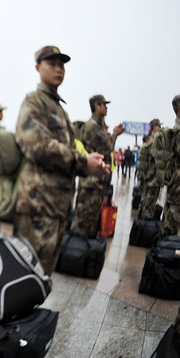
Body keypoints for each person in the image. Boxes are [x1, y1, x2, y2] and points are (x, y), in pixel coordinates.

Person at [14, 45, 109, 274]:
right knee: (27, 275)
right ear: (38, 68)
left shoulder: (59, 109)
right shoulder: (34, 102)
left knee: (42, 276)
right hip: (38, 207)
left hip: (56, 208)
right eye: (52, 64)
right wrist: (84, 163)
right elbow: (40, 146)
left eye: (62, 65)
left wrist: (88, 161)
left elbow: (67, 149)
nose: (59, 69)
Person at [70, 95, 124, 237]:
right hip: (91, 184)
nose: (106, 108)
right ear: (96, 106)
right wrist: (115, 134)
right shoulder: (93, 127)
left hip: (96, 184)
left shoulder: (98, 126)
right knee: (83, 224)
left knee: (90, 223)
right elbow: (107, 147)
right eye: (104, 105)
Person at [158, 95, 180, 240]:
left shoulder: (175, 129)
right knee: (172, 225)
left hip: (174, 184)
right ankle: (165, 254)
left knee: (167, 220)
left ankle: (161, 251)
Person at [139, 119, 163, 220]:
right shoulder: (154, 141)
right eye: (159, 126)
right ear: (154, 127)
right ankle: (144, 228)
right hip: (152, 179)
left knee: (146, 202)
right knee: (149, 205)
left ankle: (141, 224)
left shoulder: (151, 139)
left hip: (150, 178)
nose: (160, 128)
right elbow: (156, 156)